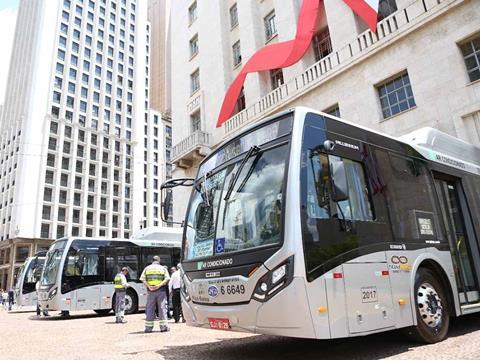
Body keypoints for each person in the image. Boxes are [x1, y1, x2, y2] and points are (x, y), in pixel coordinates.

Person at [140, 255, 170, 333]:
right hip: (161, 291)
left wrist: (149, 286)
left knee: (150, 309)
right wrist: (159, 285)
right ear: (159, 261)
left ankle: (148, 328)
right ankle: (163, 327)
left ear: (152, 260)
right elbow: (167, 278)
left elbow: (142, 279)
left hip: (150, 291)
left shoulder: (147, 268)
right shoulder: (162, 268)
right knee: (162, 308)